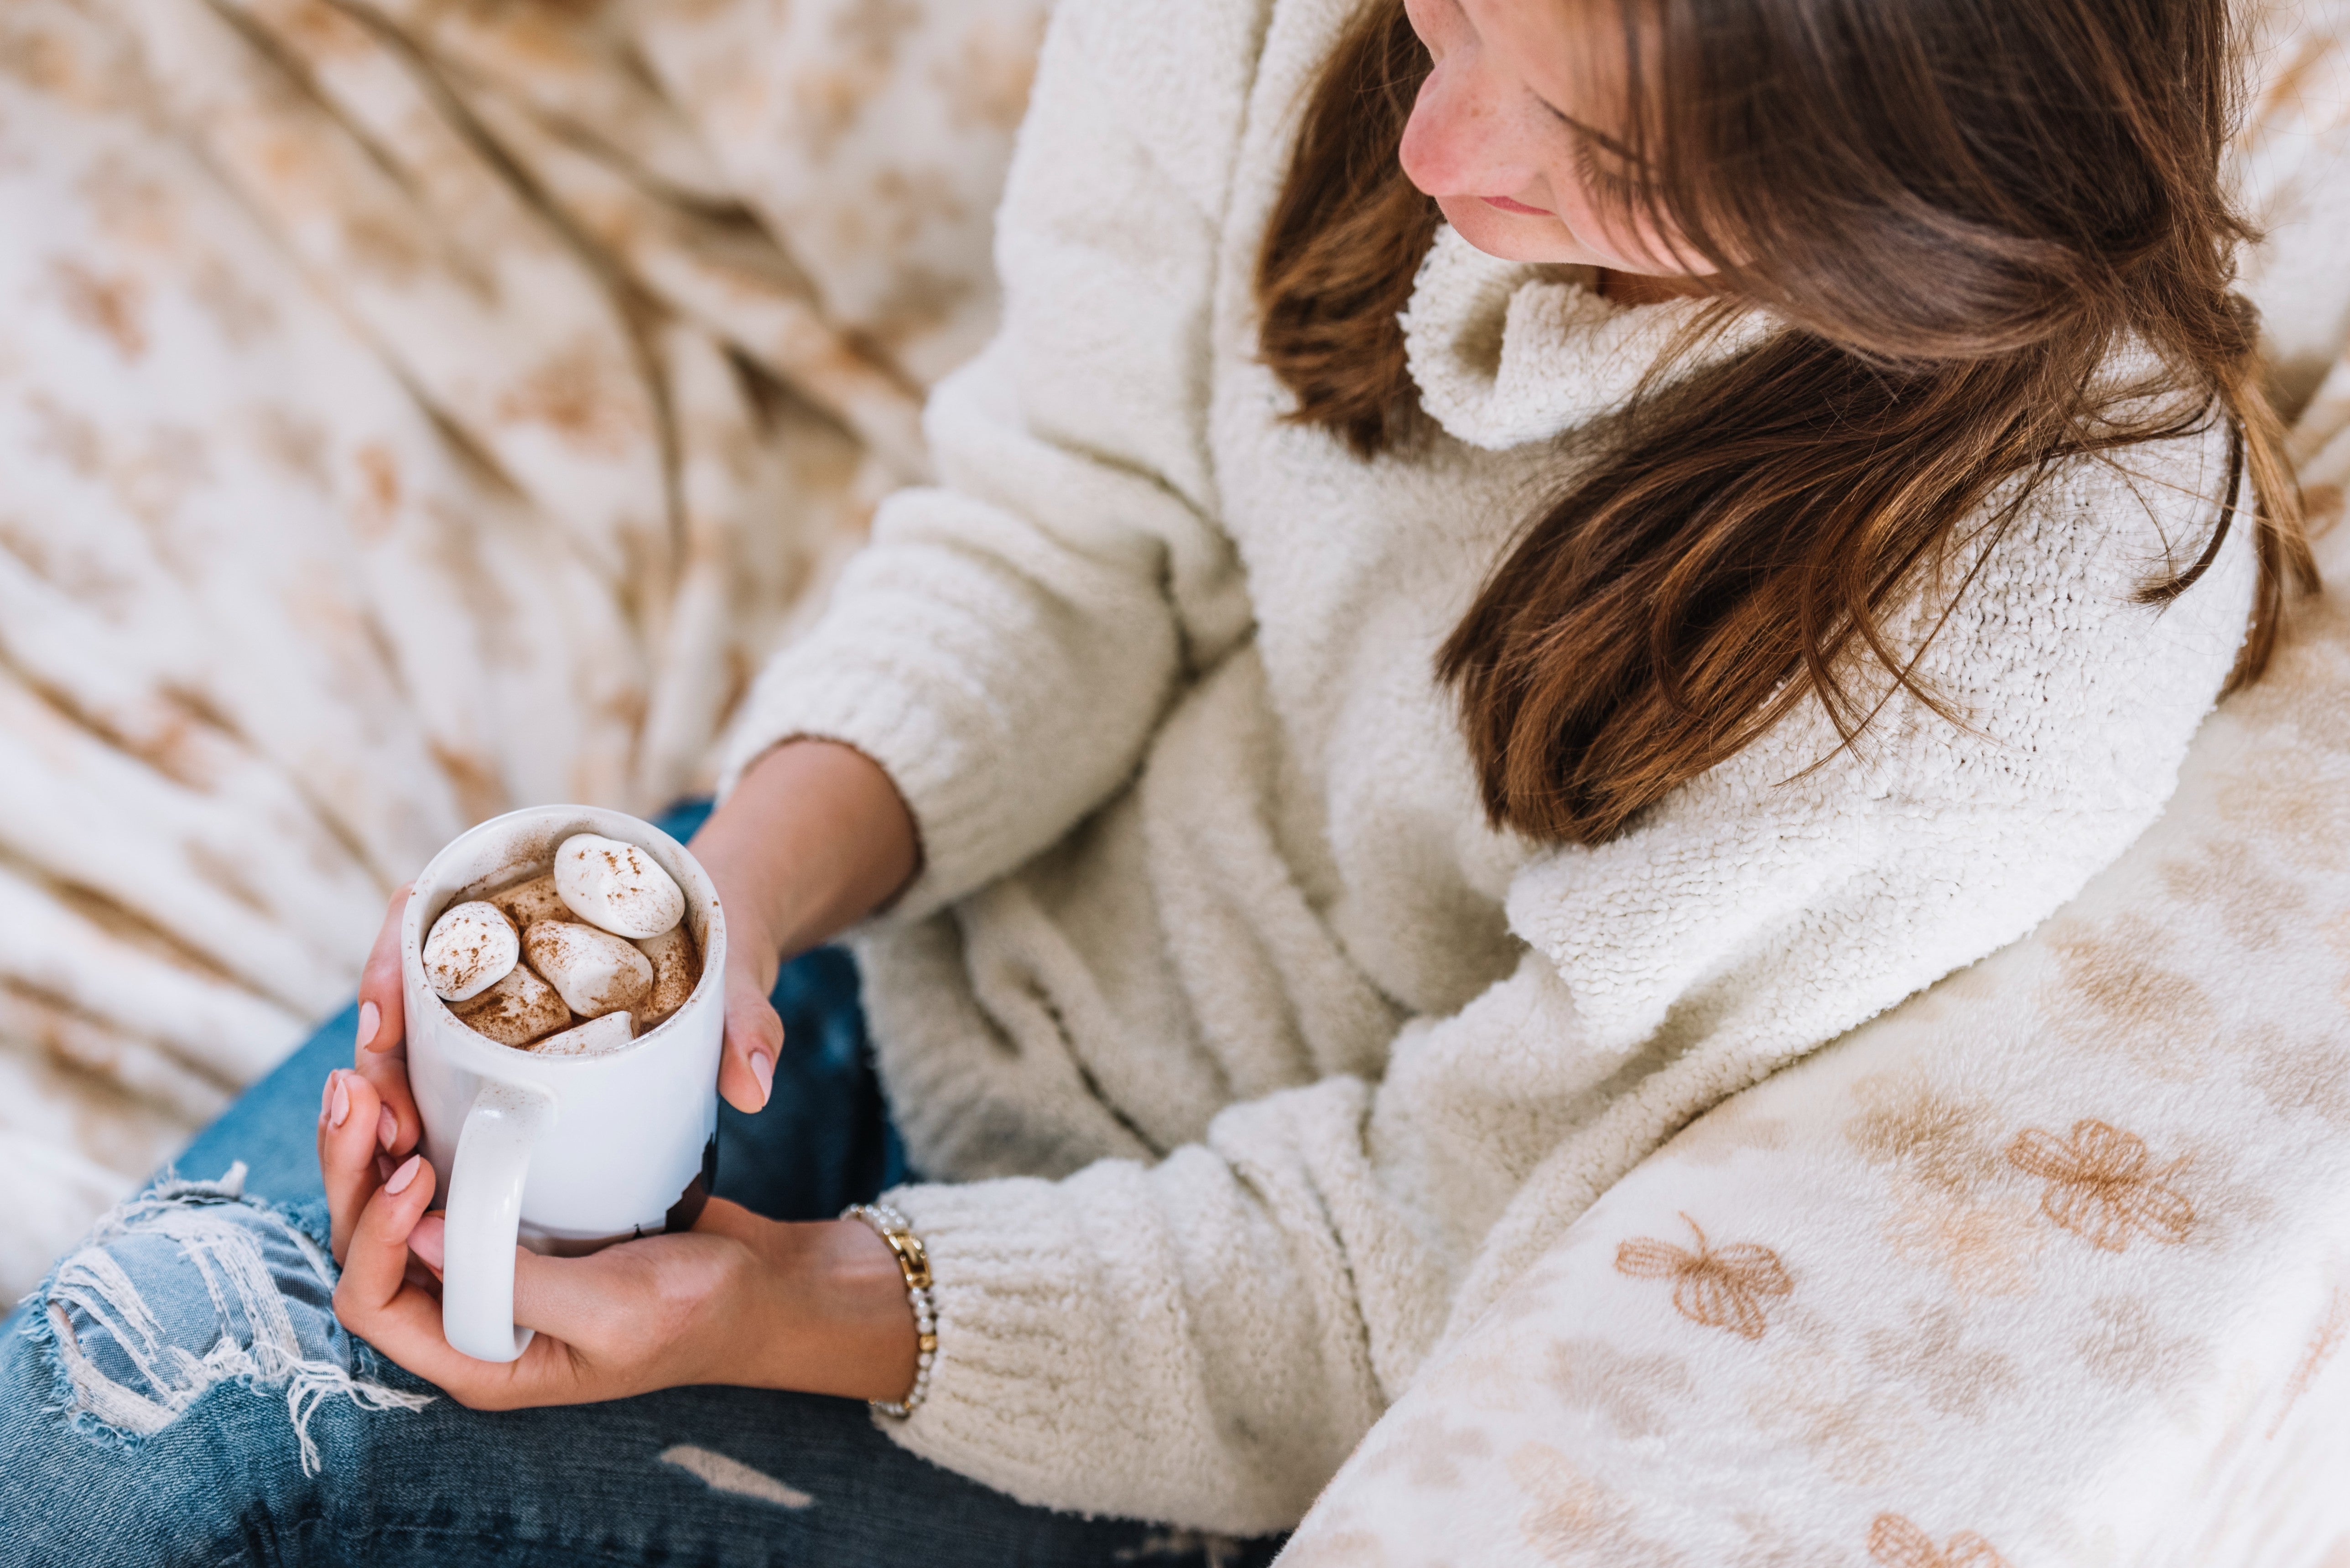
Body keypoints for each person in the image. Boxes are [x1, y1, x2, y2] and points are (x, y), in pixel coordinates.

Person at [1, 0, 2315, 1559]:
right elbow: (1067, 519)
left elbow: (1421, 1258)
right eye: (1448, 11)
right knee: (83, 1430)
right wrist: (731, 908)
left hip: (1157, 1363)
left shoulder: (2002, 625)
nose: (1431, 149)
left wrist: (792, 1303)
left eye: (1602, 151)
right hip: (899, 982)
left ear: (1921, 205)